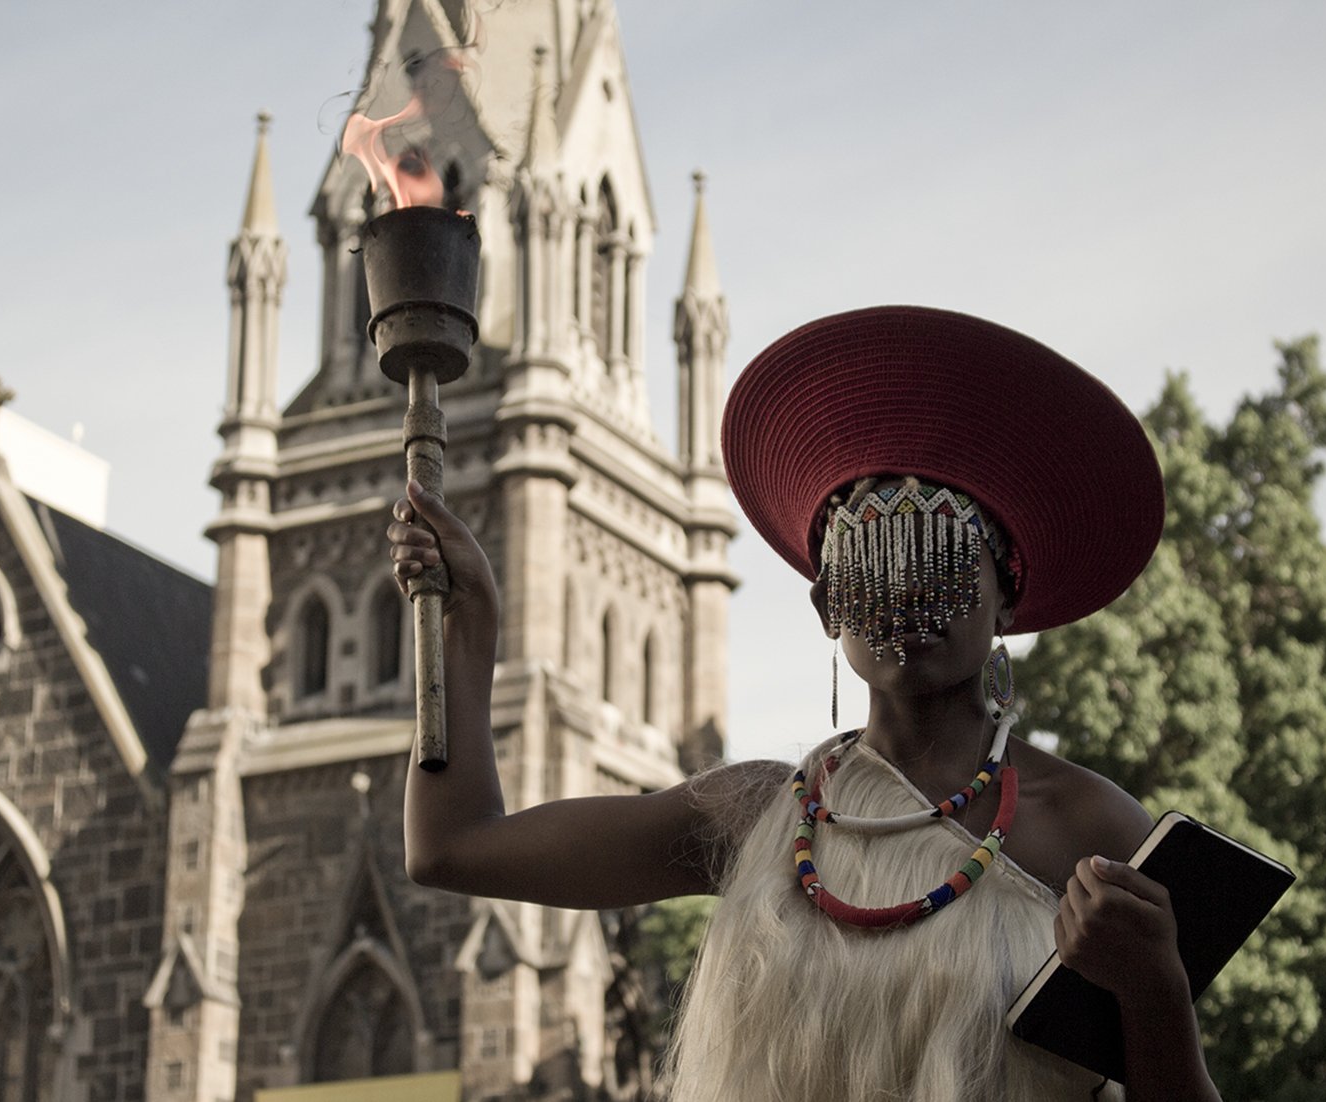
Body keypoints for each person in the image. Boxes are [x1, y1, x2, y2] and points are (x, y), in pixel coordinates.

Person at [388, 306, 1220, 1100]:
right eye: (870, 559)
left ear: (1007, 598)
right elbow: (454, 847)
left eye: (940, 553)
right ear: (826, 606)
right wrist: (469, 624)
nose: (906, 594)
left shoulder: (1091, 834)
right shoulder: (755, 817)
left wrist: (1156, 993)